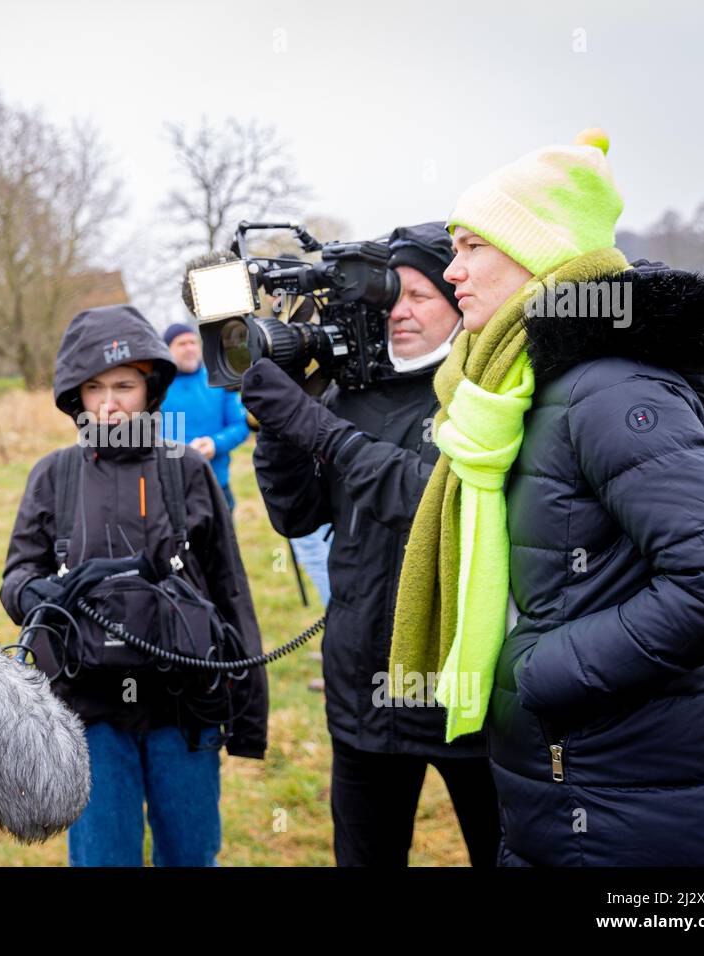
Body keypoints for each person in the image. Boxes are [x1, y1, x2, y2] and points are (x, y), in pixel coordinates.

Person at [388, 129, 704, 865]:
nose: (452, 270)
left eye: (472, 248)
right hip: (563, 788)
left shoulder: (611, 389)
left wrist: (541, 671)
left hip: (636, 802)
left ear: (538, 256)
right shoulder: (514, 390)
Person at [240, 222, 502, 866]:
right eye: (391, 298)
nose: (399, 313)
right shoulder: (346, 392)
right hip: (363, 692)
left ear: (460, 303)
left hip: (465, 701)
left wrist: (317, 428)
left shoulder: (483, 398)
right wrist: (282, 423)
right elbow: (296, 517)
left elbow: (430, 502)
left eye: (420, 295)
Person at [0, 303, 268, 867]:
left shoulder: (186, 470)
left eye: (124, 385)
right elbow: (17, 574)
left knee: (191, 855)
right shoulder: (53, 474)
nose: (111, 403)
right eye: (94, 388)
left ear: (151, 387)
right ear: (75, 396)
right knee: (102, 858)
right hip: (88, 712)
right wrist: (35, 596)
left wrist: (246, 713)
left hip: (184, 709)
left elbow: (230, 588)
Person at [158, 322, 251, 510]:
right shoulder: (156, 387)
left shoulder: (219, 380)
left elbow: (240, 426)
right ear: (166, 349)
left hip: (217, 484)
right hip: (173, 488)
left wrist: (214, 443)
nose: (190, 348)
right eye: (182, 344)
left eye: (193, 342)